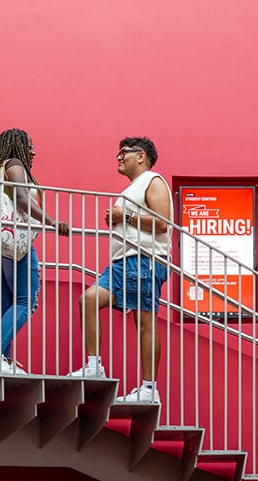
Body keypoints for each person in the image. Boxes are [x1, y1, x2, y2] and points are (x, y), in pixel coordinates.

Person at [67, 136, 172, 404]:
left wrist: (123, 216)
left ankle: (149, 389)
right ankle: (94, 365)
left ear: (142, 156)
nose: (119, 156)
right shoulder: (133, 188)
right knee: (89, 299)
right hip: (121, 262)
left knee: (145, 323)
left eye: (124, 152)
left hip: (144, 259)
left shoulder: (153, 180)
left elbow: (163, 223)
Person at [0, 128, 71, 376]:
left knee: (5, 301)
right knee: (25, 301)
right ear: (17, 146)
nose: (33, 151)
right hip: (15, 244)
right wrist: (52, 221)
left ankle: (1, 360)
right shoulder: (15, 164)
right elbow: (21, 199)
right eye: (29, 146)